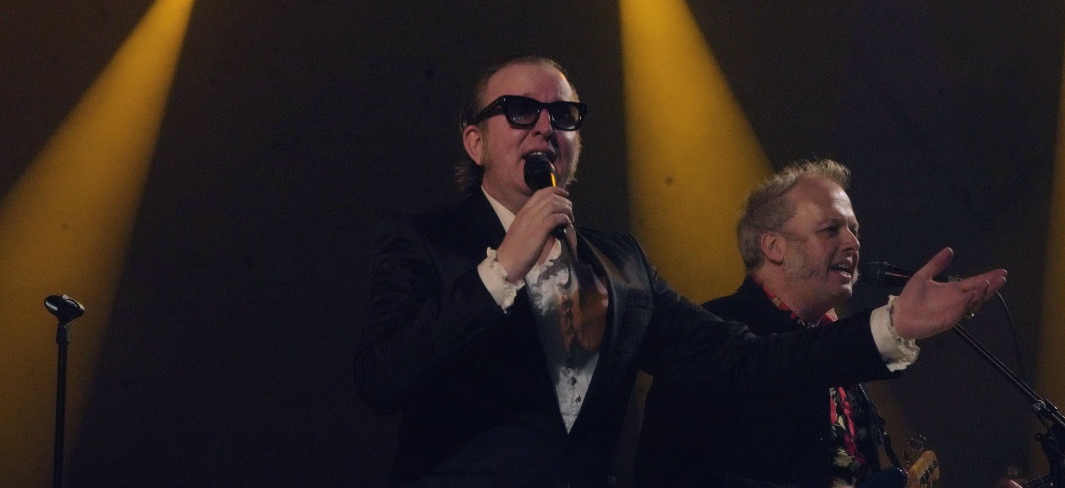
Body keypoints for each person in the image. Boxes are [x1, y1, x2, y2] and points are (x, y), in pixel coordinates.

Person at [353, 55, 1006, 487]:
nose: (545, 127)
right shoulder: (424, 241)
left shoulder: (620, 264)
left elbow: (743, 360)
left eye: (565, 115)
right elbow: (384, 376)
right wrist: (502, 269)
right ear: (475, 140)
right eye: (521, 111)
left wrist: (891, 327)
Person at [635, 159, 904, 488]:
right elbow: (669, 475)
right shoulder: (711, 332)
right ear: (775, 247)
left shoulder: (834, 339)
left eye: (854, 229)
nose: (853, 243)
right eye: (831, 229)